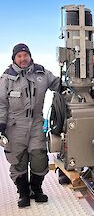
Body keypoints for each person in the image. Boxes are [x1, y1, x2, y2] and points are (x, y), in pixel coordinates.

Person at [0, 43, 61, 207]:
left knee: (39, 156)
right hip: (15, 126)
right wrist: (1, 124)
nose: (23, 59)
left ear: (29, 56)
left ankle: (36, 189)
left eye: (25, 55)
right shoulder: (6, 78)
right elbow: (2, 104)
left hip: (36, 123)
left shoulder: (41, 73)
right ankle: (23, 193)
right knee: (18, 159)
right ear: (14, 58)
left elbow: (58, 85)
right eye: (19, 56)